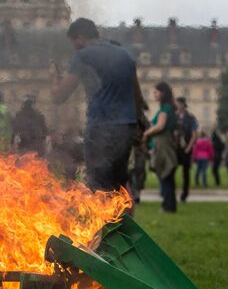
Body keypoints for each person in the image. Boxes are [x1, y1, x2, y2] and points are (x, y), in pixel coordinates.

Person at [51, 17, 141, 192]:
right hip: (126, 126)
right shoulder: (125, 55)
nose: (75, 47)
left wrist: (54, 77)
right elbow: (137, 96)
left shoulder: (83, 56)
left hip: (102, 126)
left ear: (80, 38)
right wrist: (138, 125)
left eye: (74, 42)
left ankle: (103, 219)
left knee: (98, 183)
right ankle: (124, 218)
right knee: (120, 184)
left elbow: (60, 96)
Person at [143, 82, 178, 212]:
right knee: (167, 174)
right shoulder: (169, 108)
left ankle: (167, 206)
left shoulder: (165, 109)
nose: (154, 95)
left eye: (156, 92)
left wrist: (146, 134)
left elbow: (160, 126)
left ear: (163, 93)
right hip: (166, 143)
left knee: (165, 173)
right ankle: (169, 205)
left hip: (163, 144)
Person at [174, 97, 198, 202]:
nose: (177, 106)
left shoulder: (190, 118)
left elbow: (194, 134)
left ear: (183, 105)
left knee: (186, 172)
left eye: (179, 104)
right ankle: (171, 192)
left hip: (186, 148)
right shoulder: (174, 117)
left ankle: (185, 193)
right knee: (171, 170)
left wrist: (189, 147)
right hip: (175, 147)